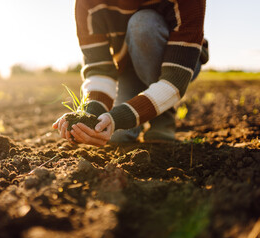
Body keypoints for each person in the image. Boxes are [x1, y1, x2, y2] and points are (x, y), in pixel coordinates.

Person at [53, 0, 209, 146]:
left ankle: (164, 114)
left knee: (143, 25)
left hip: (179, 63)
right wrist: (89, 117)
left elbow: (174, 80)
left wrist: (120, 116)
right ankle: (152, 103)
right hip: (127, 67)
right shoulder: (87, 4)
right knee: (117, 136)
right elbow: (99, 69)